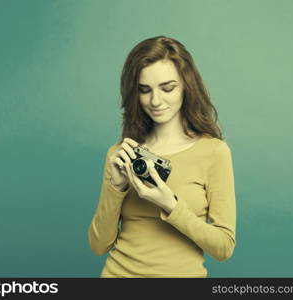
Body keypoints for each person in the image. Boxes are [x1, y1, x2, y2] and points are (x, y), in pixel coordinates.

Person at [88, 36, 236, 278]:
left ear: (187, 86)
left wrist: (171, 205)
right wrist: (116, 187)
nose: (155, 101)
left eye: (168, 88)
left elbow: (224, 247)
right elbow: (98, 245)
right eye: (144, 90)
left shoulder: (214, 152)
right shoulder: (121, 154)